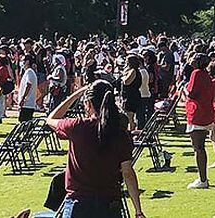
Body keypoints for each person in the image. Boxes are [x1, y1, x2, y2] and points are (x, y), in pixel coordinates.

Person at [46, 80, 144, 218]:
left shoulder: (78, 127)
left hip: (79, 204)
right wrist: (138, 211)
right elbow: (128, 173)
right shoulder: (120, 134)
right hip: (109, 205)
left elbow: (51, 119)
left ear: (88, 104)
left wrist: (76, 94)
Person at [185, 53, 214, 189]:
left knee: (198, 148)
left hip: (198, 113)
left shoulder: (196, 73)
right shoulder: (206, 75)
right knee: (199, 147)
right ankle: (203, 178)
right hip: (205, 112)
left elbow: (192, 93)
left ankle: (203, 179)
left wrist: (184, 89)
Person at [121, 55, 143, 132]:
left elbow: (127, 82)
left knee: (129, 118)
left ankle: (131, 132)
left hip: (131, 97)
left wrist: (123, 77)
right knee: (129, 116)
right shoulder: (133, 71)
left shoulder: (133, 71)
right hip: (128, 96)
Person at [17, 54, 39, 122]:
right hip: (27, 103)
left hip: (27, 103)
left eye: (24, 61)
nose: (22, 63)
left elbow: (28, 85)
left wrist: (23, 98)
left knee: (23, 121)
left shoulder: (29, 72)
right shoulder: (28, 72)